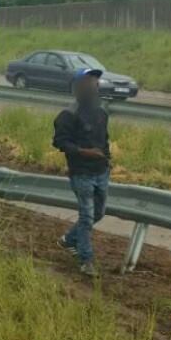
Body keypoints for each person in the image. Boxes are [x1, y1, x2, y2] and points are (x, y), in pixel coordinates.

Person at [52, 67, 111, 276]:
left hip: (101, 171)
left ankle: (68, 240)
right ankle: (86, 260)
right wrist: (84, 152)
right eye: (89, 81)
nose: (94, 85)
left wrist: (106, 159)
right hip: (81, 173)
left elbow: (105, 140)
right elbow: (60, 142)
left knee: (98, 213)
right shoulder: (68, 114)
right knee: (86, 216)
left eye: (96, 81)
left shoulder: (101, 111)